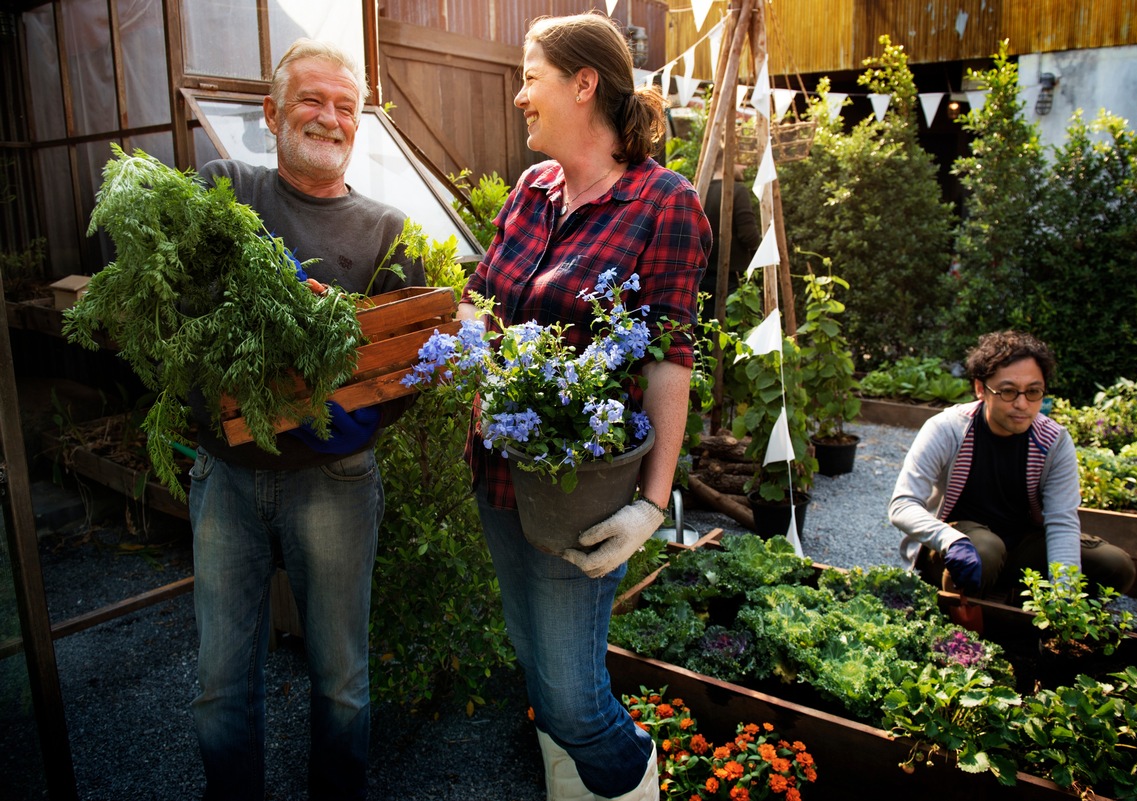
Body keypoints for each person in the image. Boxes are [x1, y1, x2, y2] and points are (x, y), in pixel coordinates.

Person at [457, 13, 710, 801]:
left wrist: (653, 505)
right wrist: (462, 339)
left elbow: (671, 357)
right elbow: (482, 302)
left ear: (583, 83)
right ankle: (570, 780)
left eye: (530, 77)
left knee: (569, 691)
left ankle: (633, 775)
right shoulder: (532, 190)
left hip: (582, 492)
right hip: (501, 472)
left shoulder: (664, 202)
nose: (519, 96)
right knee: (532, 658)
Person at [186, 39, 424, 801]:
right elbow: (179, 315)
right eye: (313, 100)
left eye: (345, 107)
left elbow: (405, 372)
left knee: (343, 680)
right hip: (227, 474)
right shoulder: (223, 192)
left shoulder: (387, 230)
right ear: (271, 112)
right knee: (221, 683)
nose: (330, 118)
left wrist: (336, 390)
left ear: (359, 125)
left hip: (336, 478)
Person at [889, 330, 1136, 599]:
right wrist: (949, 539)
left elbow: (1061, 522)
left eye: (1033, 392)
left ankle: (1016, 605)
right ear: (981, 389)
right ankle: (962, 618)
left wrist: (1065, 598)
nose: (1022, 404)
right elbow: (903, 505)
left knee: (1115, 566)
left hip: (1018, 548)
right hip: (956, 549)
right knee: (985, 549)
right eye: (1007, 391)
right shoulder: (947, 429)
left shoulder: (1054, 442)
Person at [701, 145, 760, 322]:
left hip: (703, 279)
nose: (745, 167)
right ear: (728, 163)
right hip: (732, 278)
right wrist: (761, 251)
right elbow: (748, 234)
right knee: (741, 330)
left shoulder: (700, 190)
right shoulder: (737, 190)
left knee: (707, 333)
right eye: (741, 162)